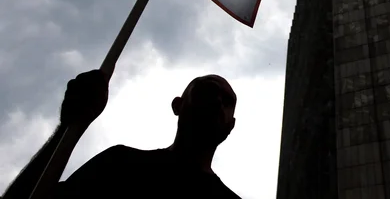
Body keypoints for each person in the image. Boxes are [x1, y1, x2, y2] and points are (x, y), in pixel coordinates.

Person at [2, 70, 241, 198]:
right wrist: (69, 127)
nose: (218, 101)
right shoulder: (119, 164)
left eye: (227, 101)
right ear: (177, 105)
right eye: (207, 90)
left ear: (230, 126)